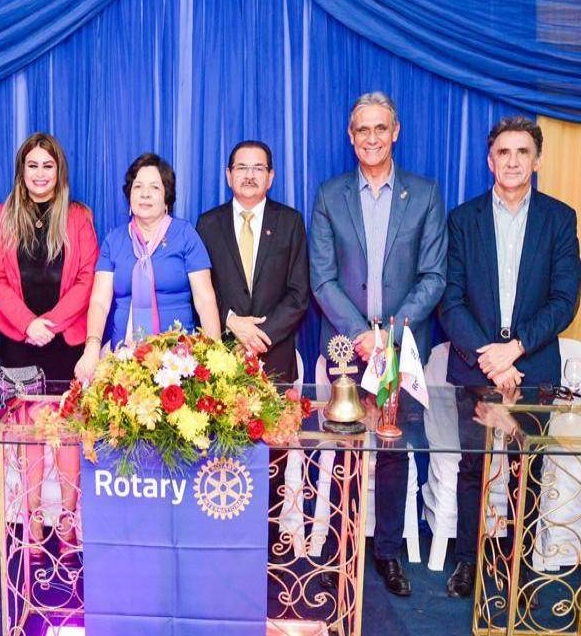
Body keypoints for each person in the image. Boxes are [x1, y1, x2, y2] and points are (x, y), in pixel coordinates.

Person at [309, 92, 446, 596]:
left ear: (395, 132)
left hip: (400, 347)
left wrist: (389, 333)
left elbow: (434, 276)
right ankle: (342, 548)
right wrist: (361, 335)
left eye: (380, 128)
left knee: (392, 448)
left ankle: (387, 553)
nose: (372, 137)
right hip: (347, 348)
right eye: (362, 129)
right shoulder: (330, 195)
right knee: (344, 446)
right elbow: (322, 278)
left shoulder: (425, 194)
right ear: (351, 137)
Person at [439, 116, 581, 598]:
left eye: (523, 152)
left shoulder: (559, 219)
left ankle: (518, 565)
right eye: (504, 152)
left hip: (533, 365)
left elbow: (564, 299)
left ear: (537, 161)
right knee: (473, 466)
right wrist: (490, 359)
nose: (513, 161)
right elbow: (450, 300)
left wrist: (515, 349)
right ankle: (467, 561)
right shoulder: (463, 220)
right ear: (490, 161)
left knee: (528, 469)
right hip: (476, 366)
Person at [0, 132, 97, 561]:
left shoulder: (78, 217)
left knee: (66, 434)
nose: (40, 173)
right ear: (22, 171)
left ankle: (67, 520)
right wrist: (28, 323)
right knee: (29, 435)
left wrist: (51, 323)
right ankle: (32, 517)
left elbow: (87, 278)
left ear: (58, 171)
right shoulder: (4, 216)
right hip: (20, 343)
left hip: (64, 343)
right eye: (32, 165)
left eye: (47, 166)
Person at [197, 139, 309, 561]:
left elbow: (299, 294)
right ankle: (223, 539)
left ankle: (269, 544)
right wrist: (231, 322)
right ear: (228, 175)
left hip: (274, 356)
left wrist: (260, 335)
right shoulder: (208, 224)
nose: (249, 175)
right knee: (222, 451)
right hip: (221, 359)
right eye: (241, 168)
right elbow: (201, 290)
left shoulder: (290, 222)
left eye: (258, 168)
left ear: (271, 176)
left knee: (271, 455)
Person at [75, 153, 220, 381]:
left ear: (167, 198)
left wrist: (215, 355)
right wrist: (92, 347)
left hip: (179, 361)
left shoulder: (185, 235)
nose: (145, 194)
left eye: (154, 187)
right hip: (123, 359)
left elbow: (205, 300)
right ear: (129, 195)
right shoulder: (114, 240)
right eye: (138, 186)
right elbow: (100, 302)